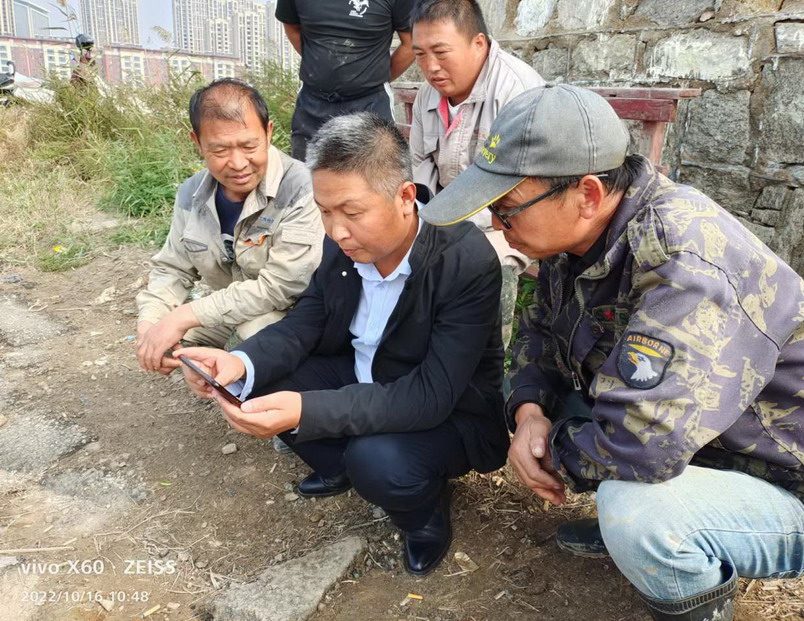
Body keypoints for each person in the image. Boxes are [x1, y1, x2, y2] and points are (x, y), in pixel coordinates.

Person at [419, 84, 804, 621]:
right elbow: (536, 333)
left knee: (637, 514)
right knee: (548, 403)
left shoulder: (684, 260)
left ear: (588, 194)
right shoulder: (577, 236)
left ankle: (692, 564)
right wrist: (529, 413)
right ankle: (673, 514)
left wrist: (551, 450)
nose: (498, 225)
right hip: (710, 443)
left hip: (795, 489)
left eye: (507, 209)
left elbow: (642, 444)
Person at [175, 113, 509, 576]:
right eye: (325, 211)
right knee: (257, 381)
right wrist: (239, 361)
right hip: (364, 374)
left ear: (405, 197)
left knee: (378, 461)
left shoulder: (463, 259)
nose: (336, 231)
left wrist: (307, 410)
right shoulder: (341, 245)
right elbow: (304, 323)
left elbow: (431, 395)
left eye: (351, 213)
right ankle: (339, 468)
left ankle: (424, 515)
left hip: (447, 409)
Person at [136, 78, 323, 376]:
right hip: (233, 311)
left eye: (249, 146)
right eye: (220, 150)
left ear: (269, 133)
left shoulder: (303, 188)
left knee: (251, 337)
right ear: (197, 143)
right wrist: (150, 324)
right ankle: (211, 371)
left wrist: (187, 314)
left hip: (293, 316)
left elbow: (281, 286)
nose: (237, 163)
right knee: (170, 343)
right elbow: (172, 269)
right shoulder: (192, 194)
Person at [409, 0, 544, 345]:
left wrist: (456, 230)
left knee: (481, 265)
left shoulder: (517, 91)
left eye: (441, 52)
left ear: (478, 43)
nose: (431, 67)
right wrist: (425, 221)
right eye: (420, 55)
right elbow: (420, 166)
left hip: (507, 222)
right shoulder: (428, 96)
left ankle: (486, 360)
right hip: (445, 220)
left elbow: (524, 189)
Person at [276, 0, 416, 161]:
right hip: (312, 104)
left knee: (374, 171)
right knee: (306, 172)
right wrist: (322, 66)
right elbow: (291, 26)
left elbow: (411, 42)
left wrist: (374, 76)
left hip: (370, 103)